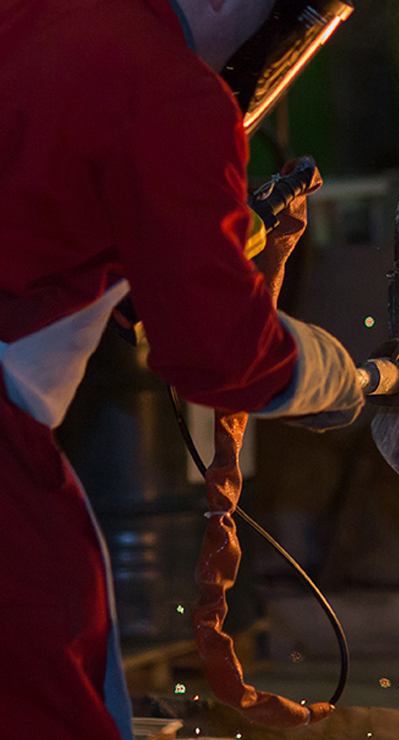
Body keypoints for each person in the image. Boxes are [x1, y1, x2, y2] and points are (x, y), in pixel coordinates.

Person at [0, 0, 359, 738]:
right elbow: (222, 355)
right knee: (51, 690)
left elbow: (45, 206)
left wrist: (181, 239)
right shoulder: (167, 86)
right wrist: (337, 377)